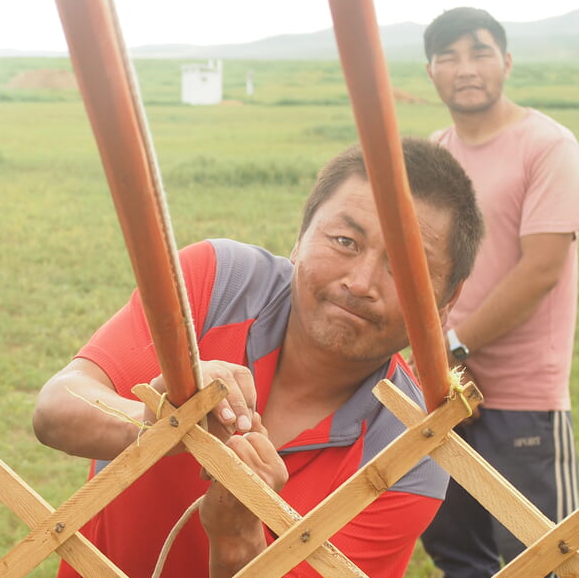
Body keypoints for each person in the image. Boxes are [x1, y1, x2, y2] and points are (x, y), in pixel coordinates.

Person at [34, 138, 485, 578]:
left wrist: (239, 542)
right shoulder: (219, 282)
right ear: (301, 237)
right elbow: (54, 410)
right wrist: (158, 425)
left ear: (447, 298)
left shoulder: (411, 453)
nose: (361, 282)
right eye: (346, 241)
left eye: (406, 266)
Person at [420, 6, 579, 574]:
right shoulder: (436, 152)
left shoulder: (549, 148)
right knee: (458, 554)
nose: (465, 68)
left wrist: (453, 346)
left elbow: (541, 271)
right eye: (448, 56)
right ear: (431, 72)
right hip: (444, 391)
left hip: (521, 400)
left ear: (507, 62)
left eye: (480, 52)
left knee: (544, 560)